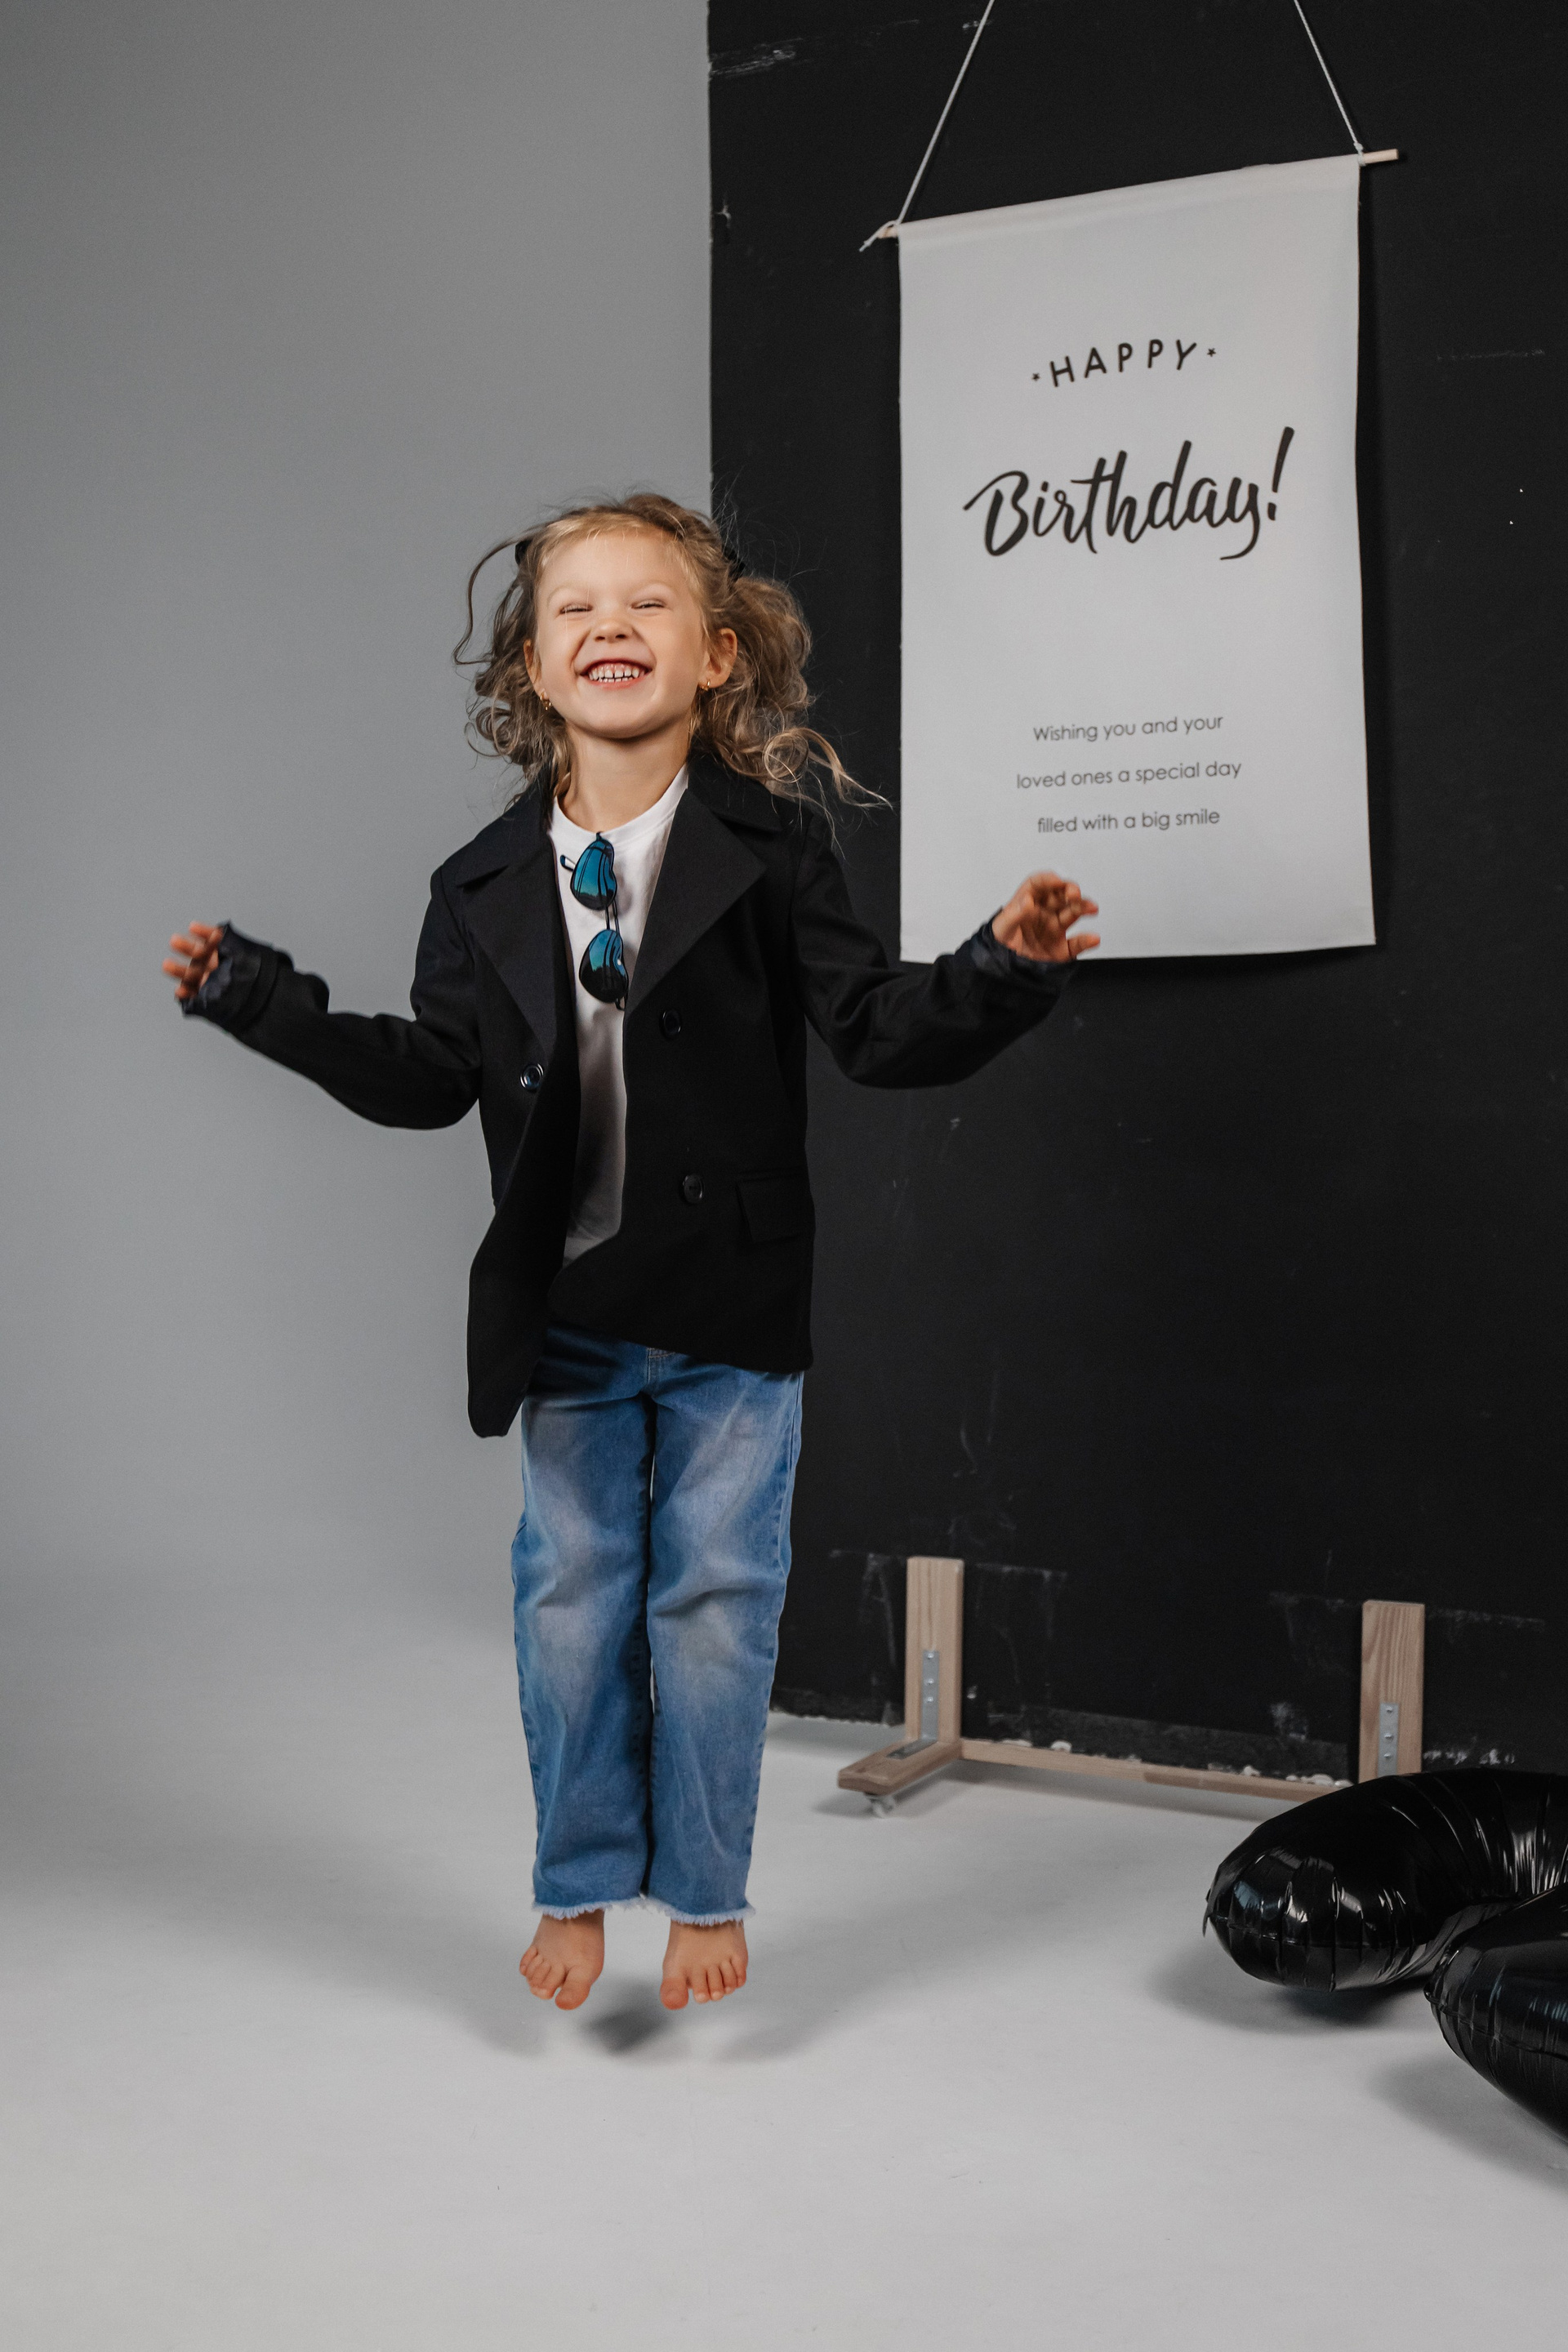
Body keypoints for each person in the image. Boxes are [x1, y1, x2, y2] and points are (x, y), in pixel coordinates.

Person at [163, 492, 1099, 2014]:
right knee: (572, 1604)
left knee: (716, 1605)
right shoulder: (477, 883)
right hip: (571, 1308)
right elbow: (426, 1079)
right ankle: (582, 1875)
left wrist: (1004, 967)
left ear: (716, 653)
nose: (611, 625)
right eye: (575, 608)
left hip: (731, 1306)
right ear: (531, 669)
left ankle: (706, 1888)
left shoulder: (773, 851)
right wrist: (263, 1002)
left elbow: (876, 1032)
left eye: (648, 602)